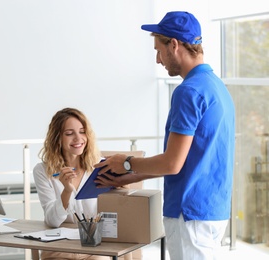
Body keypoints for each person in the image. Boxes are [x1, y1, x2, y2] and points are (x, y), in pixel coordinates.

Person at [94, 11, 235, 260]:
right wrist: (128, 177)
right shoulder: (217, 87)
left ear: (174, 44)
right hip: (212, 210)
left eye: (158, 51)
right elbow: (182, 161)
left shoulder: (188, 92)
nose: (159, 60)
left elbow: (172, 163)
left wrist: (126, 162)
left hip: (188, 215)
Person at [33, 107, 110, 260]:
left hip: (95, 247)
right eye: (69, 133)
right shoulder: (43, 171)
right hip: (59, 248)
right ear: (57, 138)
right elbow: (52, 221)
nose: (78, 138)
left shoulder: (100, 168)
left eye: (82, 132)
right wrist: (66, 191)